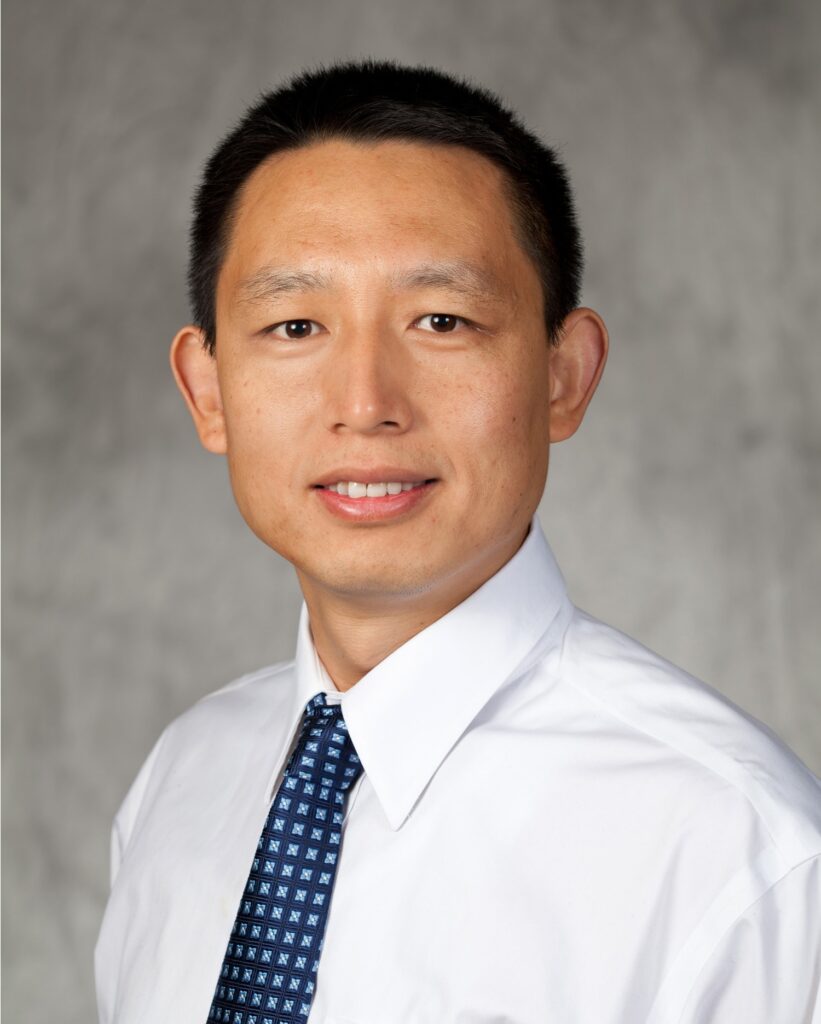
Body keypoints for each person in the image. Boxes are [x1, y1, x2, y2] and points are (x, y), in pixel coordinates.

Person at [94, 60, 821, 1024]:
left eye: (441, 320)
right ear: (208, 390)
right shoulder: (181, 782)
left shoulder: (739, 851)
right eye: (295, 323)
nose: (364, 404)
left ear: (563, 376)